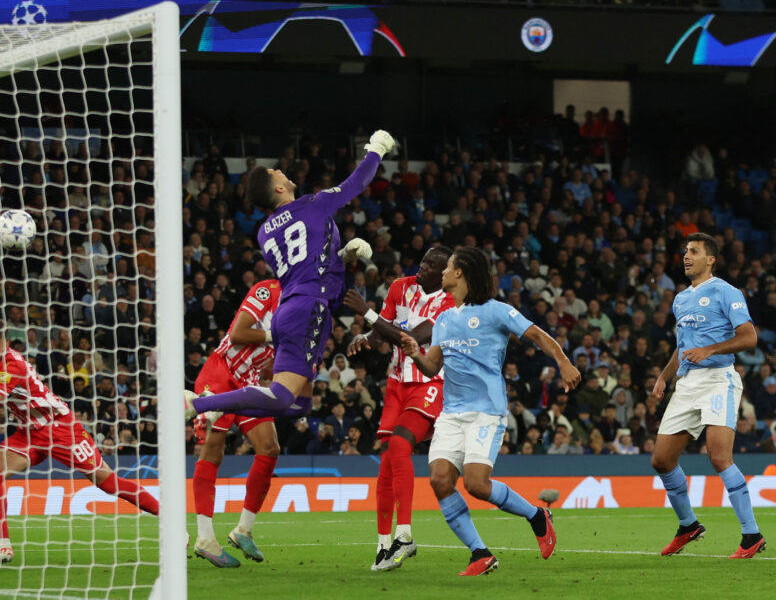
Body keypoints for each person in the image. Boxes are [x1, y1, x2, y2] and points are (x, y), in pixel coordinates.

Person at [184, 130, 396, 422]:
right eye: (276, 173)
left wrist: (343, 255)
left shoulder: (264, 231)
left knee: (300, 405)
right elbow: (357, 182)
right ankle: (199, 404)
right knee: (282, 396)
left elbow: (308, 263)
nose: (281, 171)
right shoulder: (313, 204)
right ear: (279, 189)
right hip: (308, 309)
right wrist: (376, 149)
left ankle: (217, 404)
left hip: (288, 310)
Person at [400, 247, 581, 576]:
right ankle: (479, 553)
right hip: (452, 414)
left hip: (487, 412)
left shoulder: (496, 311)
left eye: (448, 267)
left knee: (476, 484)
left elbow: (537, 335)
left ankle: (537, 516)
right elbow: (432, 367)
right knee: (440, 480)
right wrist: (415, 352)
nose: (441, 272)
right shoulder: (442, 319)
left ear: (461, 273)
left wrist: (563, 362)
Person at [0, 318, 160, 563]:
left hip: (60, 429)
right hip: (29, 432)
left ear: (5, 344)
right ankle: (2, 545)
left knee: (109, 483)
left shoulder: (10, 367)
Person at [650, 233, 765, 558]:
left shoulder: (727, 291)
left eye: (694, 252)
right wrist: (663, 376)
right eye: (685, 251)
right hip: (687, 384)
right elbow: (683, 347)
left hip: (718, 381)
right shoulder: (680, 299)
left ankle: (751, 535)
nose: (686, 256)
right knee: (661, 460)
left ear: (710, 259)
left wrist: (711, 349)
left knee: (719, 457)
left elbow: (749, 337)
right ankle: (688, 525)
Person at [344, 245, 455, 571]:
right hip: (396, 385)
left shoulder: (449, 304)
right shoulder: (399, 287)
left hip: (429, 383)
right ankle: (382, 545)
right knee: (387, 464)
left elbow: (412, 338)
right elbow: (385, 333)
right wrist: (368, 334)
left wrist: (368, 315)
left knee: (399, 445)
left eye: (429, 264)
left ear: (443, 272)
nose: (421, 267)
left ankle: (404, 534)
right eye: (421, 261)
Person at [190, 280, 283, 567]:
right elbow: (239, 334)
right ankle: (205, 538)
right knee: (213, 451)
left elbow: (267, 362)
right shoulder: (268, 290)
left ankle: (243, 529)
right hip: (221, 372)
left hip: (250, 380)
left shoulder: (303, 308)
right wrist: (277, 335)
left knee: (269, 448)